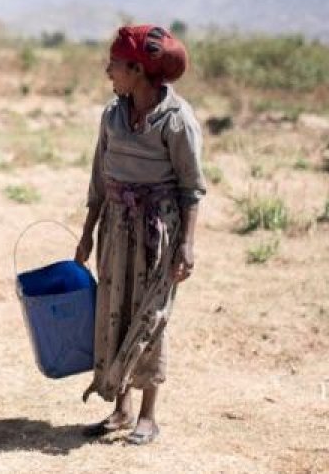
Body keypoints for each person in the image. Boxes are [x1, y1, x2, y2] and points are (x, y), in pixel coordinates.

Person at [74, 24, 205, 446]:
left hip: (158, 231)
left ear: (136, 69)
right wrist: (87, 233)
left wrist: (186, 243)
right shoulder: (112, 115)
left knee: (151, 318)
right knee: (114, 312)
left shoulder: (177, 119)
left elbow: (191, 187)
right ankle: (120, 410)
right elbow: (99, 177)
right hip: (115, 225)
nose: (107, 72)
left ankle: (148, 415)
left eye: (113, 65)